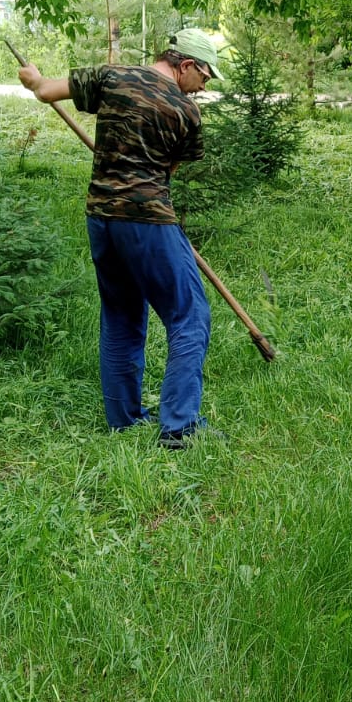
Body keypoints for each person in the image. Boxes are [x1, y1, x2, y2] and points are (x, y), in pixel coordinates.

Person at [18, 28, 227, 450]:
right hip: (147, 221)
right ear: (185, 64)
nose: (204, 87)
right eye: (204, 76)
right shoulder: (185, 112)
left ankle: (124, 419)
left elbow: (44, 91)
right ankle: (180, 427)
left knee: (121, 315)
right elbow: (166, 175)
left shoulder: (110, 77)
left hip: (101, 218)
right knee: (190, 317)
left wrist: (33, 76)